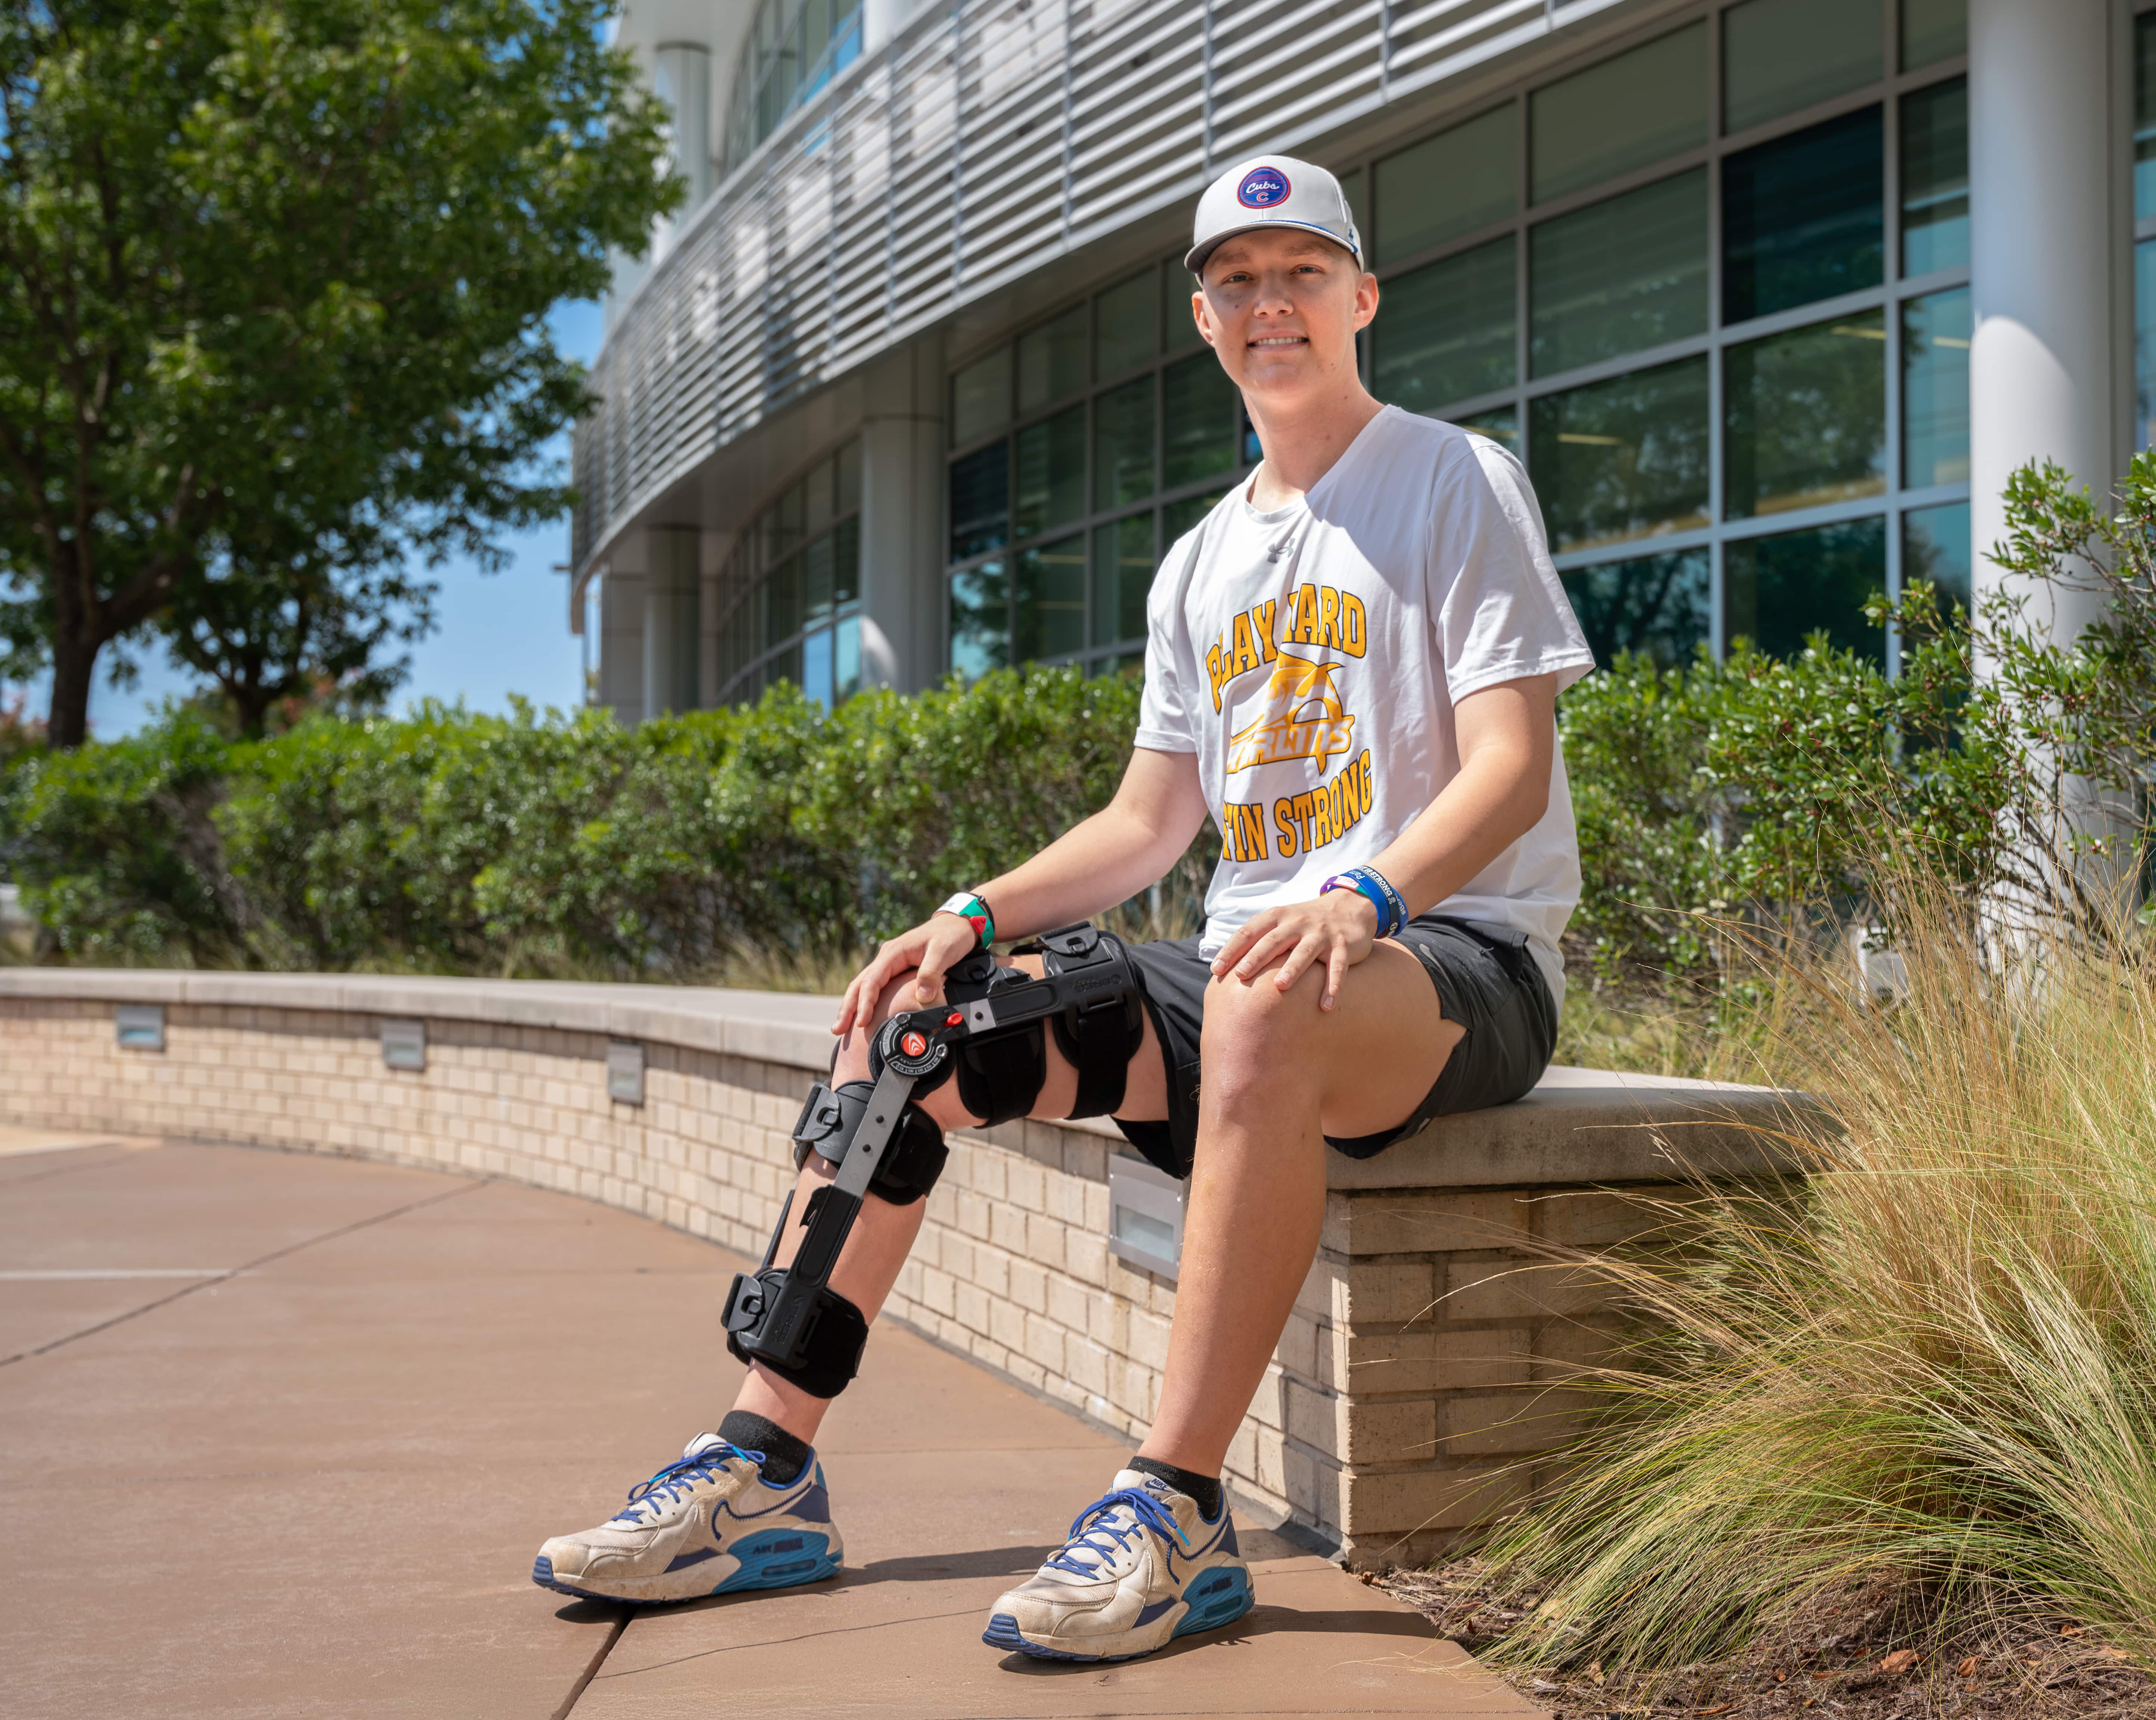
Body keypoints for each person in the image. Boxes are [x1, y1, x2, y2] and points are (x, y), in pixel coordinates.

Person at [533, 153, 1594, 1663]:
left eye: (1299, 272)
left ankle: (1173, 1509)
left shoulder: (1449, 478)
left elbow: (1508, 766)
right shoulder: (1199, 564)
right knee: (914, 1036)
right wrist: (971, 910)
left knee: (1260, 988)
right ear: (1203, 319)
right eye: (1236, 281)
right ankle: (762, 1466)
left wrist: (1366, 894)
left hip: (1448, 966)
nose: (1268, 302)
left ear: (1360, 297)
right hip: (1251, 975)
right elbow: (1148, 822)